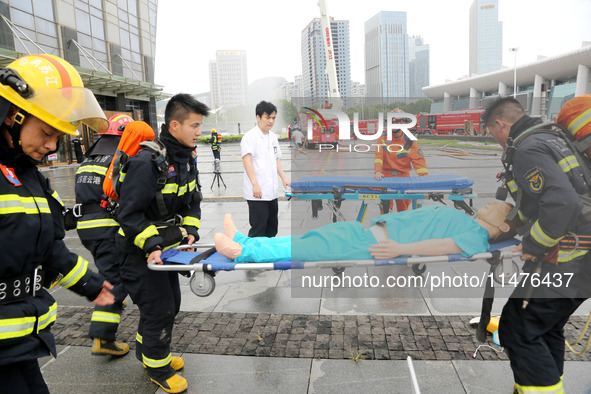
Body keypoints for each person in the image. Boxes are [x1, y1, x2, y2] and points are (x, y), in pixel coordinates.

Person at [0, 54, 114, 393]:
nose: (51, 147)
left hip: (19, 339)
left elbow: (48, 245)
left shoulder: (26, 174)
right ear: (11, 115)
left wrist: (92, 285)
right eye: (47, 132)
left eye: (59, 137)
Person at [483, 96, 591, 393]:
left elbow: (562, 203)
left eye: (492, 133)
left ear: (500, 125)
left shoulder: (528, 148)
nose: (495, 140)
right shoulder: (552, 139)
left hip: (572, 256)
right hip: (582, 259)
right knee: (545, 327)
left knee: (519, 328)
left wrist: (534, 243)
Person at [116, 93, 208, 393]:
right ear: (174, 125)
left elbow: (193, 202)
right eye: (194, 125)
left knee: (172, 303)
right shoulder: (147, 162)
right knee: (160, 308)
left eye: (200, 125)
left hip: (165, 248)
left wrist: (191, 231)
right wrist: (152, 245)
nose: (199, 132)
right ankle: (159, 367)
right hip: (136, 251)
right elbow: (128, 214)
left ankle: (148, 351)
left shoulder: (184, 160)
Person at [214, 202, 518, 263]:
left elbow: (446, 246)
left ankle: (243, 252)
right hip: (364, 232)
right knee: (307, 239)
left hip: (372, 245)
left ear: (503, 226)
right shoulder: (467, 218)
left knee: (307, 249)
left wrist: (399, 250)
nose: (493, 202)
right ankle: (246, 240)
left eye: (500, 207)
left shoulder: (477, 236)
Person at [75, 113, 133, 356]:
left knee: (110, 274)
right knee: (115, 281)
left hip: (87, 229)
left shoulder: (89, 160)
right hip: (107, 227)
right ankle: (103, 339)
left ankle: (108, 319)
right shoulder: (116, 160)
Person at [241, 100, 289, 237]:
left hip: (271, 192)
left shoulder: (273, 137)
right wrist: (255, 184)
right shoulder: (250, 137)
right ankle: (253, 257)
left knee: (272, 228)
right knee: (258, 229)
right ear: (258, 117)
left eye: (273, 118)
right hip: (257, 193)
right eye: (267, 117)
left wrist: (284, 178)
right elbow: (247, 161)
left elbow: (276, 159)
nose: (271, 121)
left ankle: (267, 256)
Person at [374, 109, 428, 213]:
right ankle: (386, 228)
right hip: (385, 177)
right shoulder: (382, 138)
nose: (394, 125)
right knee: (385, 210)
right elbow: (378, 156)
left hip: (403, 178)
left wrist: (424, 178)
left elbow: (419, 161)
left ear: (403, 123)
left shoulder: (409, 141)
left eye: (397, 122)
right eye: (392, 122)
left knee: (403, 211)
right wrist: (378, 171)